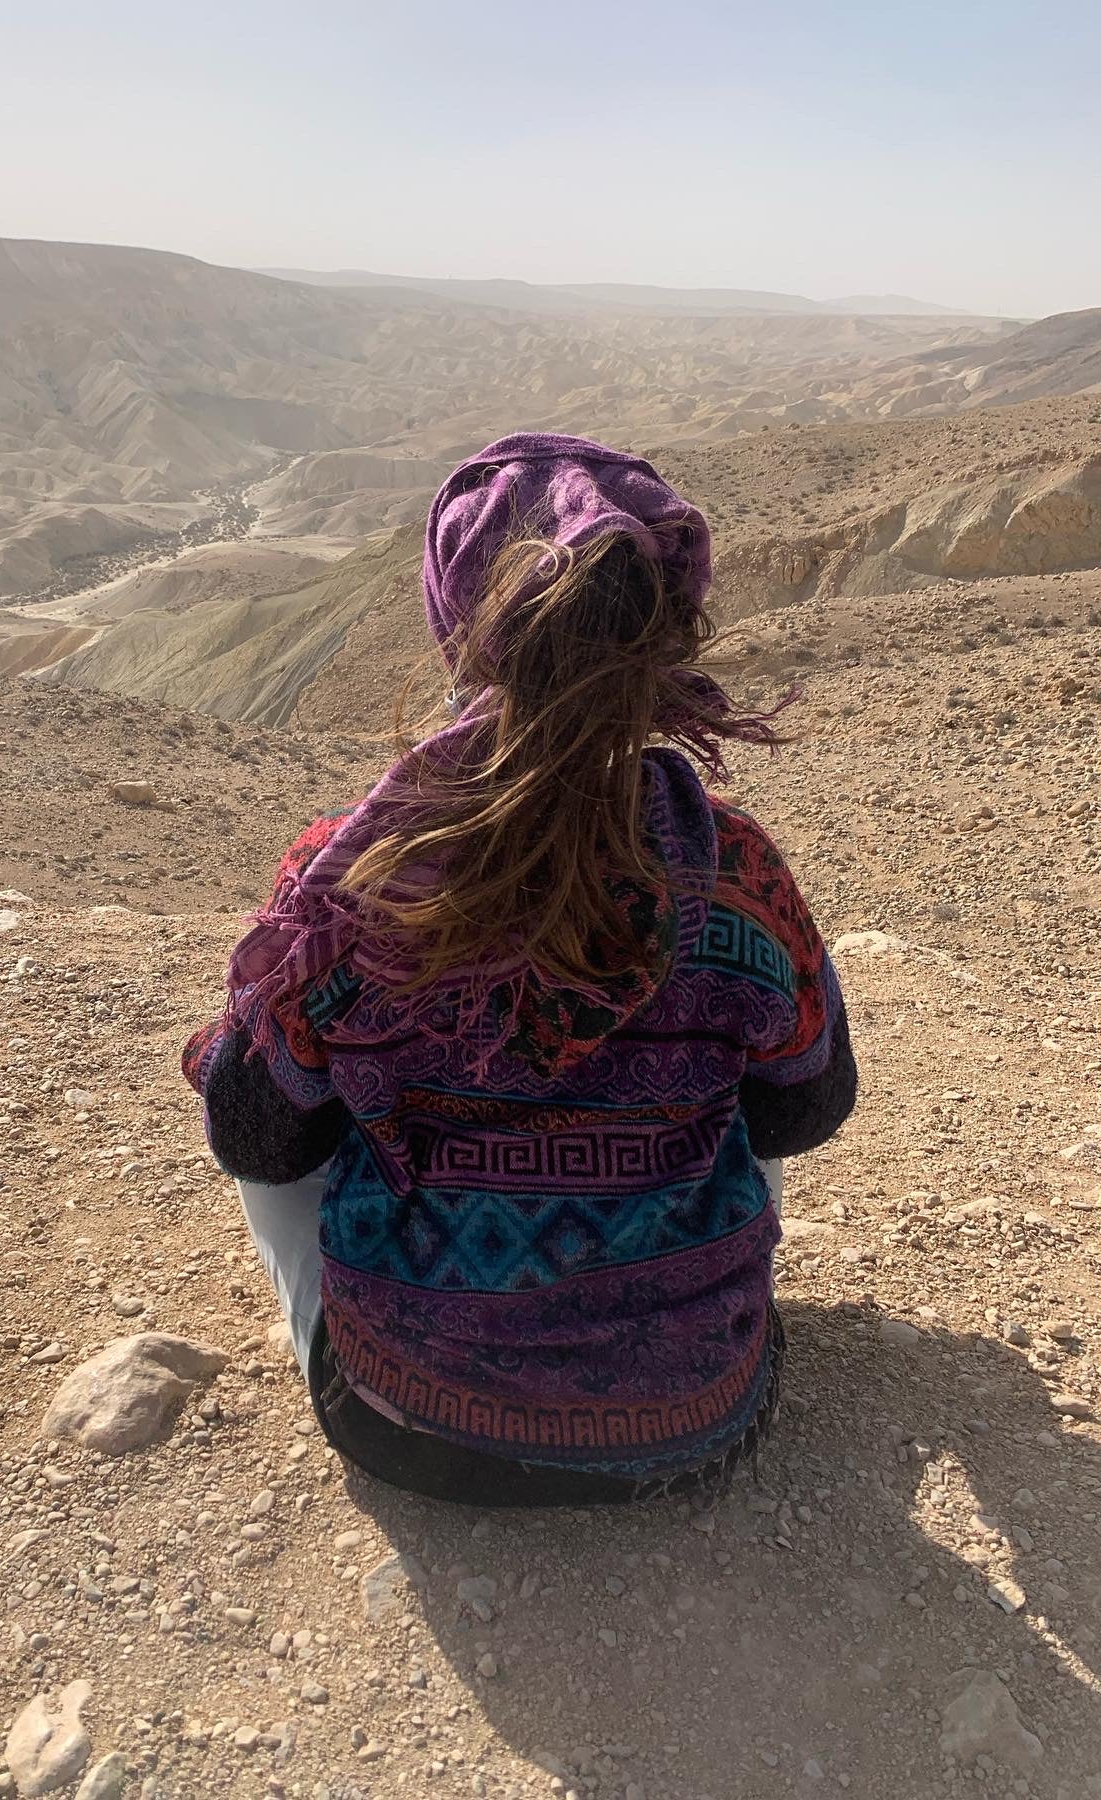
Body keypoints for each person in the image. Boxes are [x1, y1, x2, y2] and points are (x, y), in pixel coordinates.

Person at [182, 433, 857, 1506]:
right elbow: (806, 1112)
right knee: (741, 1079)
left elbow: (254, 1138)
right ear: (660, 628)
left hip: (408, 1428)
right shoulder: (732, 864)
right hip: (702, 1416)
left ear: (462, 623)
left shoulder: (359, 875)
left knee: (272, 1094)